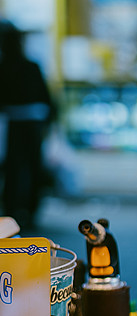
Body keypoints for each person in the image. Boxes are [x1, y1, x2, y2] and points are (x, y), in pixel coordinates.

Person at [0, 20, 56, 230]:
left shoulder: (4, 67)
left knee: (13, 170)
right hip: (34, 124)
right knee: (33, 168)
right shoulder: (31, 66)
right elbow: (46, 98)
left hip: (12, 124)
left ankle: (12, 212)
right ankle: (30, 213)